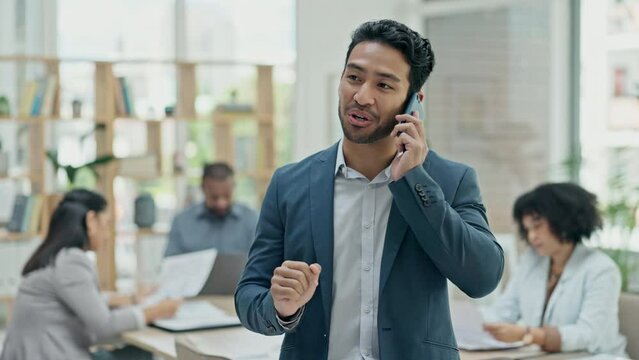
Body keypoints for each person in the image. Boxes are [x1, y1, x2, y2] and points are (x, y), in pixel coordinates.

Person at [235, 19, 504, 359]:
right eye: (354, 78)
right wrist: (281, 307)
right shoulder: (290, 184)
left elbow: (482, 278)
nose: (362, 96)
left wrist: (415, 179)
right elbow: (248, 295)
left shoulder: (451, 180)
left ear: (414, 102)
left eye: (384, 86)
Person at [1, 189, 180, 360]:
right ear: (91, 221)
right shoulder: (71, 261)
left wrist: (130, 299)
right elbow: (104, 325)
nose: (108, 235)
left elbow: (82, 300)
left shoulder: (55, 256)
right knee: (140, 354)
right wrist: (155, 311)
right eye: (107, 224)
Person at [483, 183, 627, 356]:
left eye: (537, 226)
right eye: (527, 229)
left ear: (563, 220)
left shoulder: (601, 269)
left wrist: (529, 334)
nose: (531, 236)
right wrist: (479, 324)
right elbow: (504, 311)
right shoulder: (531, 261)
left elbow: (590, 334)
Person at [164, 162, 258, 257]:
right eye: (214, 197)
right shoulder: (182, 222)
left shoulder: (252, 220)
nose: (221, 203)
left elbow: (261, 262)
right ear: (203, 189)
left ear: (233, 187)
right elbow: (170, 264)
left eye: (227, 196)